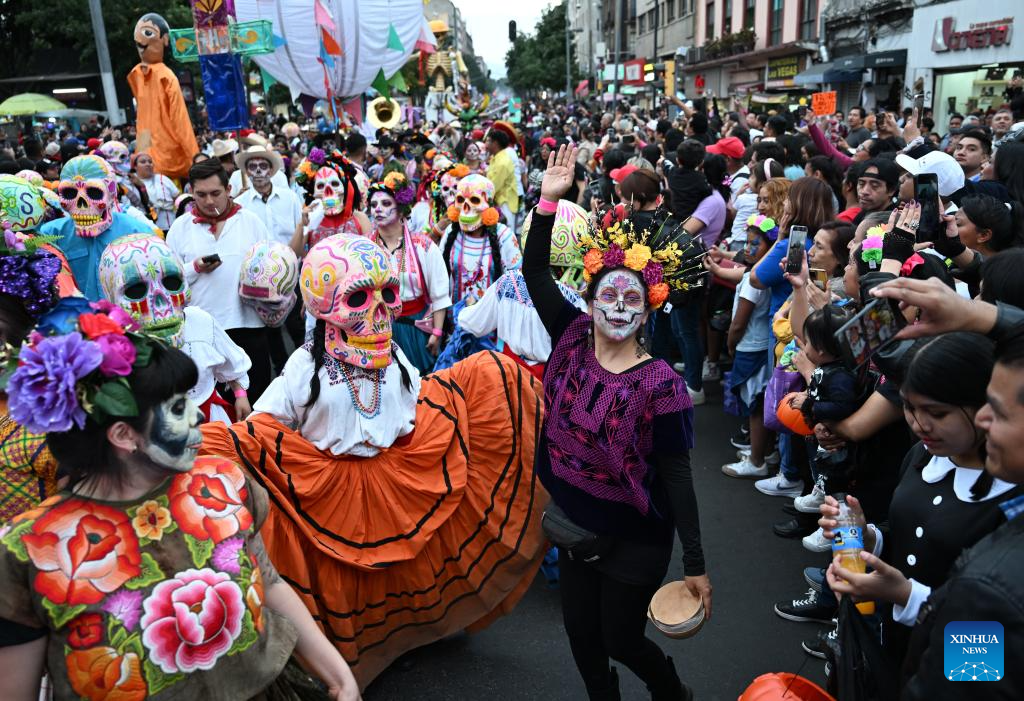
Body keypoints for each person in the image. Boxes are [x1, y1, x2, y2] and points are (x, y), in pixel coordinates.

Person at [199, 233, 546, 687]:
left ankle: (405, 636)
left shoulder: (395, 356)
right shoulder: (305, 366)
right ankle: (349, 659)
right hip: (329, 491)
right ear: (324, 306)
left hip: (395, 477)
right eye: (360, 298)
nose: (380, 312)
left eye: (388, 295)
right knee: (347, 579)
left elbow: (415, 403)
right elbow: (266, 421)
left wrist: (459, 408)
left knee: (399, 569)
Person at [0, 306, 360, 700]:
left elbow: (270, 583)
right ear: (123, 434)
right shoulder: (29, 550)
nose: (196, 416)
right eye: (176, 408)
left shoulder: (223, 481)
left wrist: (339, 676)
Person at [524, 144, 710, 701]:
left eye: (633, 297)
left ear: (649, 308)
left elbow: (677, 476)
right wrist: (547, 204)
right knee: (582, 636)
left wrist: (695, 563)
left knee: (621, 639)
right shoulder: (571, 335)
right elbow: (534, 271)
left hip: (635, 539)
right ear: (589, 300)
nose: (620, 306)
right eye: (609, 293)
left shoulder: (661, 384)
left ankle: (671, 691)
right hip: (576, 526)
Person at [820, 332, 1022, 673]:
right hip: (894, 648)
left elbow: (982, 666)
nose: (919, 424)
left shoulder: (1012, 499)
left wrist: (906, 596)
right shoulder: (922, 456)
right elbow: (909, 534)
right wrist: (868, 537)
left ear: (986, 406)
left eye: (938, 413)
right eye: (909, 408)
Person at [99, 233, 253, 426]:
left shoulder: (201, 322)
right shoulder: (116, 344)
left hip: (211, 423)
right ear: (113, 298)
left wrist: (240, 395)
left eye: (171, 283)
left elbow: (233, 364)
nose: (161, 304)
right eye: (136, 290)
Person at [166, 158, 276, 401]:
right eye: (201, 194)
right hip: (201, 333)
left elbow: (272, 267)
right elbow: (168, 280)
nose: (209, 201)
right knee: (212, 406)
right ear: (191, 192)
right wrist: (195, 268)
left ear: (228, 189)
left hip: (248, 326)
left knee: (257, 401)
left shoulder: (250, 221)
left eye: (215, 193)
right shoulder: (180, 228)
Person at [39, 155, 158, 301]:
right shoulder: (50, 235)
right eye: (70, 193)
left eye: (94, 192)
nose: (82, 204)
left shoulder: (138, 232)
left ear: (111, 192)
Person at [366, 172, 451, 374]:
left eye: (386, 203)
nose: (378, 209)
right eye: (374, 204)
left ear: (401, 208)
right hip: (377, 328)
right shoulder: (364, 247)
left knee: (419, 384)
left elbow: (440, 293)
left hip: (415, 329)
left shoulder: (423, 245)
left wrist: (437, 332)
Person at [713, 215, 776, 478]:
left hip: (750, 346)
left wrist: (730, 343)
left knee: (755, 404)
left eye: (755, 244)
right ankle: (765, 450)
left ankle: (757, 461)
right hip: (761, 344)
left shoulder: (753, 281)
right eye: (747, 243)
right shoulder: (763, 275)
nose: (748, 249)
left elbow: (738, 324)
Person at [126, 13, 199, 179]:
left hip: (165, 161)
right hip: (161, 162)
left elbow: (179, 120)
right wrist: (195, 158)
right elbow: (145, 122)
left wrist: (194, 157)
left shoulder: (164, 76)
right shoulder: (138, 75)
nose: (140, 41)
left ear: (164, 40)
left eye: (148, 33)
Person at [234, 144, 304, 247]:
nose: (258, 171)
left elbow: (302, 231)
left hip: (290, 255)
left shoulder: (291, 198)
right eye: (253, 167)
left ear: (271, 171)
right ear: (247, 173)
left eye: (263, 166)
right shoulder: (240, 205)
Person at [133, 151, 179, 232]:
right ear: (135, 167)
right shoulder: (131, 182)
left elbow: (178, 198)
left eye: (150, 162)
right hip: (146, 230)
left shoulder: (162, 178)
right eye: (143, 162)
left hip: (171, 226)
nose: (148, 164)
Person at [485, 127, 520, 225]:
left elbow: (493, 187)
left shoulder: (502, 162)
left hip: (505, 203)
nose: (486, 144)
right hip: (500, 201)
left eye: (488, 141)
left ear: (495, 143)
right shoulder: (496, 158)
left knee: (505, 231)